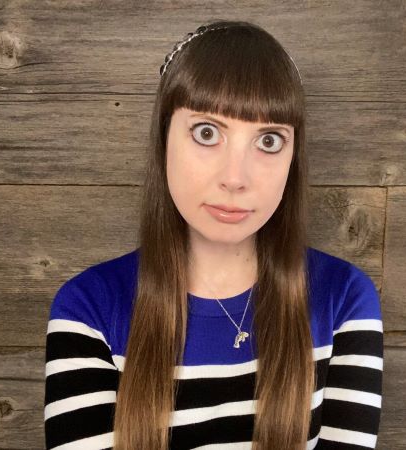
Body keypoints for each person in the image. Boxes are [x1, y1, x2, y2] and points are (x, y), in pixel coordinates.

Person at [44, 20, 383, 450]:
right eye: (207, 133)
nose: (235, 178)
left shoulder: (344, 298)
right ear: (164, 138)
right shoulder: (88, 308)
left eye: (269, 141)